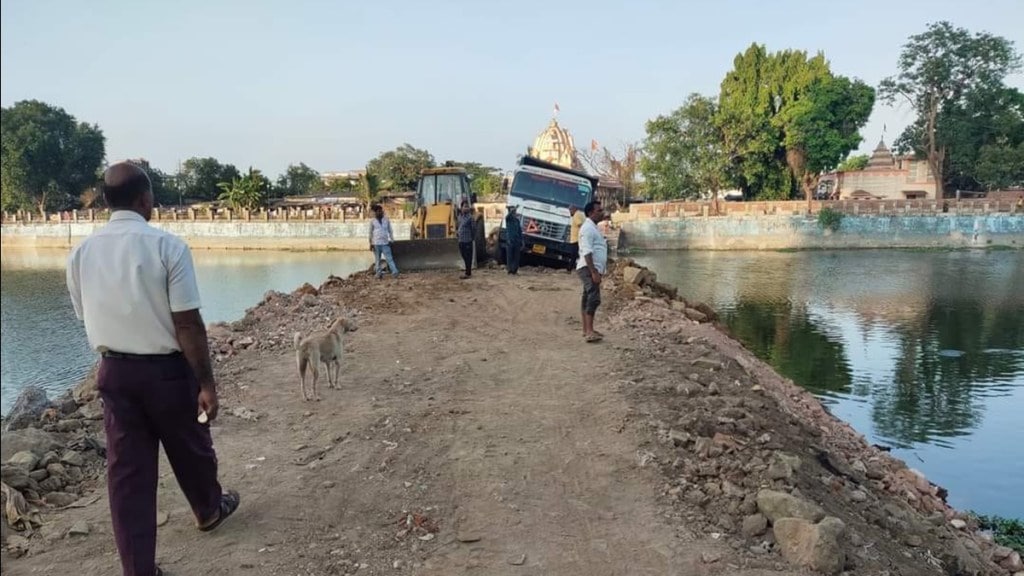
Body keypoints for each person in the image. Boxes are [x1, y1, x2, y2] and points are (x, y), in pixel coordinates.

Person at [65, 162, 239, 576]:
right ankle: (208, 509)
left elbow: (82, 314)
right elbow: (187, 323)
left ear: (107, 202)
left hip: (114, 374)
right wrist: (206, 384)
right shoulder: (167, 247)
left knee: (128, 476)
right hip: (165, 372)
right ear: (145, 199)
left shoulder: (81, 254)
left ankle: (139, 569)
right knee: (192, 445)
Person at [576, 201, 608, 343]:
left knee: (587, 297)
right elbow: (587, 251)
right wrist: (593, 272)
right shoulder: (588, 229)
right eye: (599, 210)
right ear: (590, 213)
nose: (602, 212)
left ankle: (587, 329)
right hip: (588, 268)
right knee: (593, 298)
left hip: (591, 268)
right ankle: (589, 331)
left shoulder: (593, 227)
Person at [369, 204, 399, 279]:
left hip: (385, 243)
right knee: (377, 260)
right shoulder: (372, 221)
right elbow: (370, 233)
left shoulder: (386, 219)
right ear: (375, 213)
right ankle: (378, 274)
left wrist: (392, 239)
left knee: (389, 258)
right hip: (376, 243)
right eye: (378, 211)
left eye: (381, 211)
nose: (380, 212)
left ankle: (395, 272)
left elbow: (390, 230)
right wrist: (370, 243)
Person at [456, 200, 476, 279]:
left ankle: (468, 273)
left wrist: (472, 237)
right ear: (461, 208)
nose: (466, 208)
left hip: (467, 240)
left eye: (467, 206)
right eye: (464, 206)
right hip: (461, 240)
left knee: (468, 257)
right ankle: (467, 270)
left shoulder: (470, 218)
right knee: (463, 255)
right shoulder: (460, 217)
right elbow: (459, 226)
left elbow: (474, 228)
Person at [504, 205, 524, 274]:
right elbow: (507, 216)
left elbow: (520, 231)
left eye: (515, 211)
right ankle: (509, 269)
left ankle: (514, 270)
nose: (515, 213)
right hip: (510, 240)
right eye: (514, 211)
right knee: (509, 256)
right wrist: (512, 209)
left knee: (516, 256)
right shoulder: (508, 219)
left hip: (517, 240)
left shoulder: (517, 221)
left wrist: (522, 241)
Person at [568, 204, 585, 272]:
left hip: (576, 239)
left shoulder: (576, 215)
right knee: (576, 254)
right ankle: (571, 268)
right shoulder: (580, 214)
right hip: (578, 238)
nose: (570, 212)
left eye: (570, 210)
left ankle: (569, 269)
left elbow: (580, 224)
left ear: (573, 209)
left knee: (574, 254)